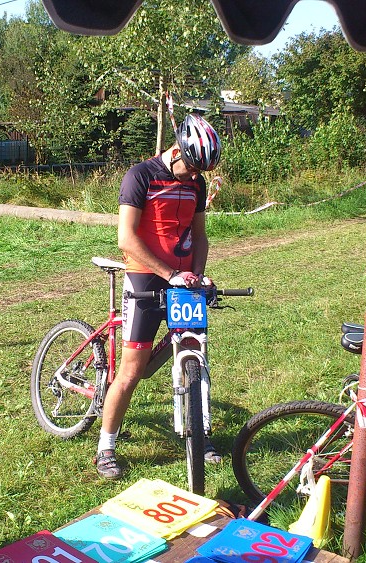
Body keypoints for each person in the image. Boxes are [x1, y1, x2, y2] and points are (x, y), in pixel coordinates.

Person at [94, 114, 223, 480]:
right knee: (132, 370)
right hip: (145, 277)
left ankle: (200, 434)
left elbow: (200, 236)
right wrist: (170, 275)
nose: (195, 177)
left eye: (201, 172)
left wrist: (197, 275)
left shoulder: (196, 184)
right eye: (192, 168)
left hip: (183, 281)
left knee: (195, 354)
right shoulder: (141, 177)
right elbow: (126, 238)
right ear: (177, 151)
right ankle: (106, 446)